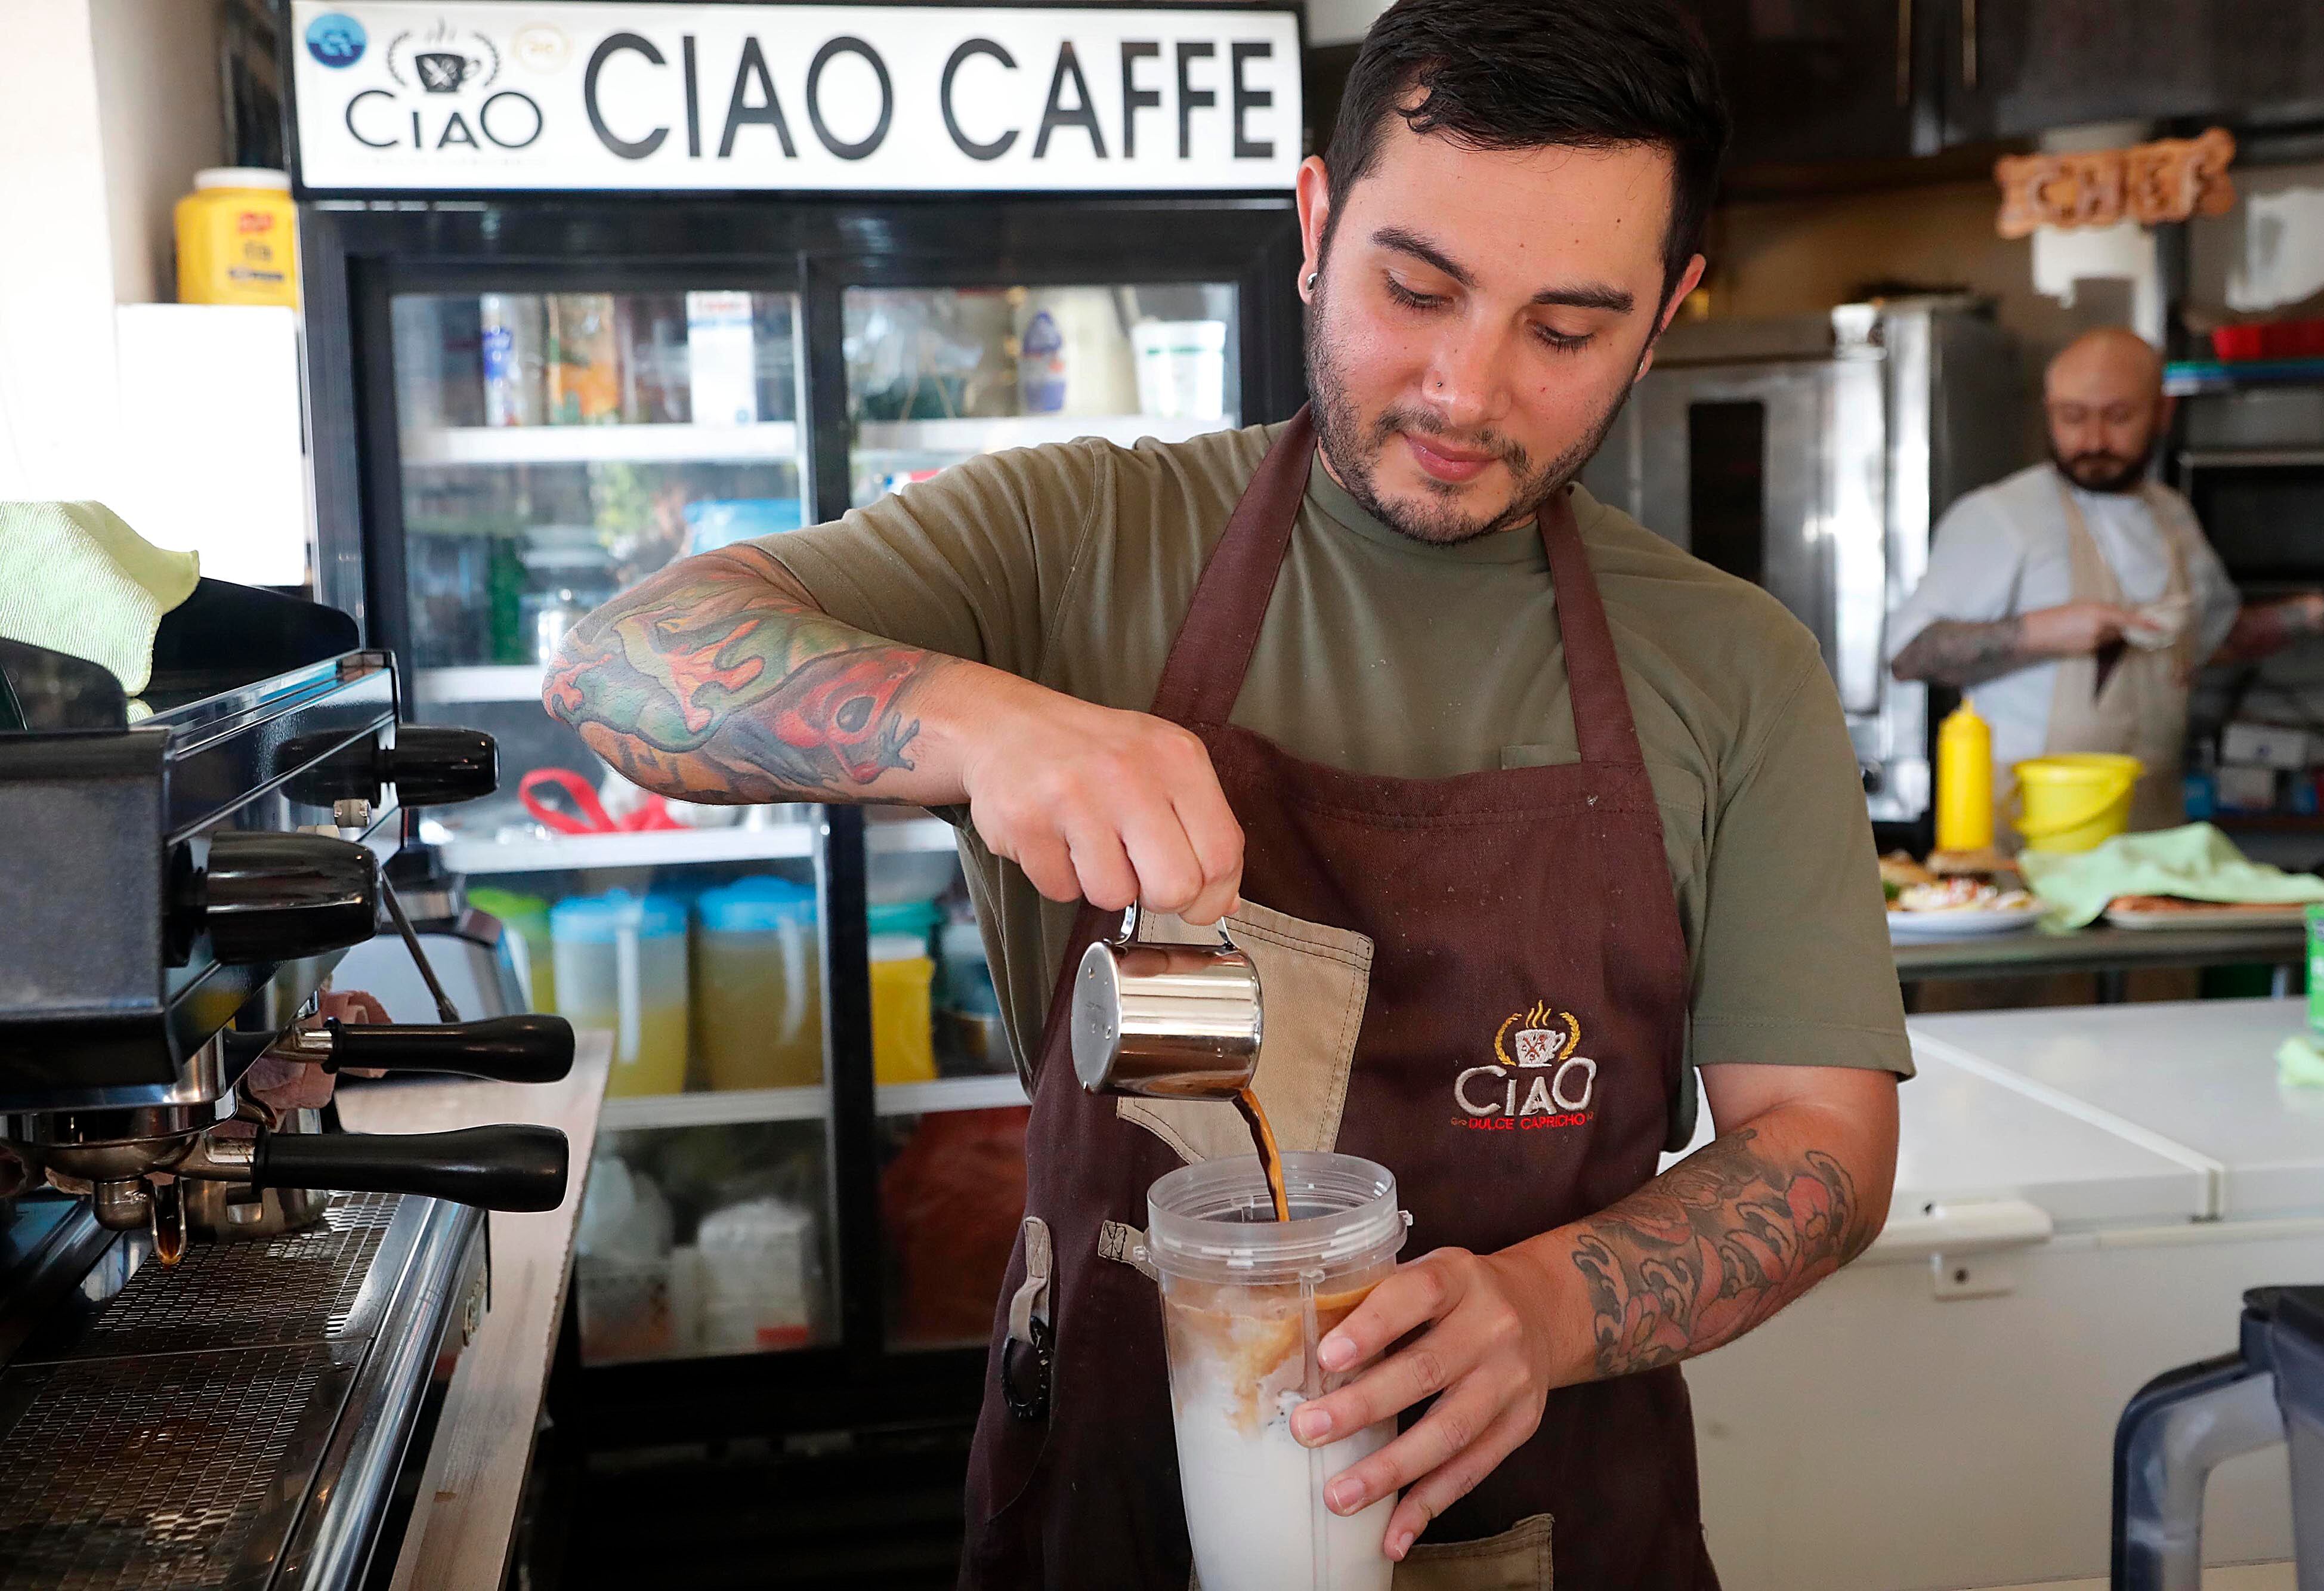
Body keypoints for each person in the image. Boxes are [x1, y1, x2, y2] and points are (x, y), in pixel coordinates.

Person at [544, 2, 1908, 1584]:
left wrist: (1547, 1305)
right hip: (1105, 1513)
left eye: (1565, 327)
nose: (1465, 388)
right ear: (1319, 223)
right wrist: (988, 728)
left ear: (1665, 313)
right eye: (1420, 287)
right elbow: (620, 668)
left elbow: (1823, 1143)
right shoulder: (1088, 542)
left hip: (1549, 1537)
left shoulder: (1735, 667)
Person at [1887, 326, 2324, 839]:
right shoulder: (2000, 516)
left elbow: (2215, 639)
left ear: (2163, 412)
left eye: (2119, 416)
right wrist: (2041, 631)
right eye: (2072, 416)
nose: (2094, 440)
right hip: (2032, 832)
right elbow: (1909, 652)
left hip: (2150, 828)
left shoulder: (2173, 518)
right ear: (2049, 409)